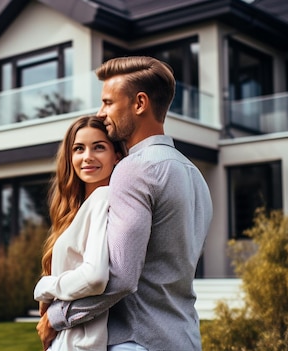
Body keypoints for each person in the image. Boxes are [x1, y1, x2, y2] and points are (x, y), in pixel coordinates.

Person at [38, 56, 213, 351]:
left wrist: (56, 317)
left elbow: (120, 279)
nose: (101, 112)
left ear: (140, 103)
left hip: (136, 341)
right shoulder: (194, 174)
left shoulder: (133, 170)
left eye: (108, 102)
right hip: (183, 338)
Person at [34, 115, 127, 351]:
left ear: (116, 155)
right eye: (78, 149)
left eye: (99, 147)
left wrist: (45, 286)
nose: (87, 156)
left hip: (78, 344)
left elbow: (95, 277)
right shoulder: (79, 209)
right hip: (66, 340)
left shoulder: (103, 198)